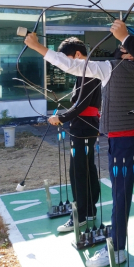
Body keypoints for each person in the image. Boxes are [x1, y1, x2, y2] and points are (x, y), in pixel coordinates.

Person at [23, 34, 134, 267]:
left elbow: (70, 65)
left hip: (122, 141)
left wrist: (38, 47)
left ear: (131, 52)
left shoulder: (110, 67)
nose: (119, 49)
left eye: (124, 46)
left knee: (121, 195)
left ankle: (117, 248)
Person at [46, 37, 102, 233]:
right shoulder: (89, 69)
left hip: (84, 127)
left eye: (68, 59)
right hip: (86, 126)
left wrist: (61, 118)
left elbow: (82, 105)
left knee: (78, 171)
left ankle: (80, 216)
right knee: (86, 168)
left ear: (78, 55)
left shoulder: (88, 70)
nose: (66, 65)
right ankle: (89, 210)